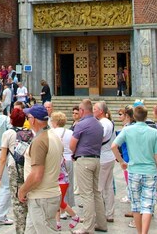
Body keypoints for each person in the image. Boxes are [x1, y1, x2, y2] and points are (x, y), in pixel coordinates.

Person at [112, 105, 157, 233]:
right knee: (148, 205)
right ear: (146, 117)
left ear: (134, 116)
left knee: (136, 205)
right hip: (150, 171)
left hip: (133, 170)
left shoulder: (128, 130)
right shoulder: (154, 132)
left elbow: (113, 146)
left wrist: (122, 162)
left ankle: (139, 231)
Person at [19, 104, 64, 234]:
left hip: (42, 197)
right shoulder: (53, 136)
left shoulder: (40, 141)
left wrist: (22, 190)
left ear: (32, 119)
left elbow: (37, 175)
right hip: (48, 194)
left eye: (28, 117)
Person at [69, 99, 106, 234]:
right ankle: (101, 223)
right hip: (96, 159)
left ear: (82, 110)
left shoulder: (81, 124)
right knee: (96, 193)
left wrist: (74, 153)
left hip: (84, 160)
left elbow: (72, 145)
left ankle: (88, 227)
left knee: (86, 194)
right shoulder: (98, 124)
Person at [0, 108, 31, 229]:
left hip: (14, 168)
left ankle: (21, 229)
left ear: (11, 120)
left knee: (17, 200)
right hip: (28, 168)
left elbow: (2, 158)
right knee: (29, 196)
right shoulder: (30, 133)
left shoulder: (8, 133)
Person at [50, 111, 80, 229]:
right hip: (69, 159)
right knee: (69, 186)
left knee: (57, 192)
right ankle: (66, 211)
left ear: (55, 122)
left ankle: (63, 214)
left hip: (58, 161)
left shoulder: (51, 133)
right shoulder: (70, 132)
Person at [94, 101, 118, 226]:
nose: (93, 111)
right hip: (109, 156)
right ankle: (109, 213)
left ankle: (100, 214)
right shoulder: (109, 122)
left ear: (101, 111)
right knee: (108, 187)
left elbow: (99, 138)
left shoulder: (103, 124)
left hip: (103, 157)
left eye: (95, 109)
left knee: (99, 187)